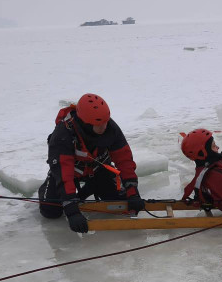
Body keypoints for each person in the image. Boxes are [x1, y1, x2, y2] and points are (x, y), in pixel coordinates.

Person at [39, 94, 145, 233]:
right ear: (86, 124)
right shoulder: (63, 135)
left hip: (98, 170)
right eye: (99, 125)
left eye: (105, 122)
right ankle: (52, 189)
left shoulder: (110, 127)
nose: (104, 127)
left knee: (121, 201)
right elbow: (64, 175)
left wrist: (133, 192)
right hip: (69, 173)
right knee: (50, 210)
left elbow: (124, 160)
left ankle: (91, 187)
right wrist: (72, 210)